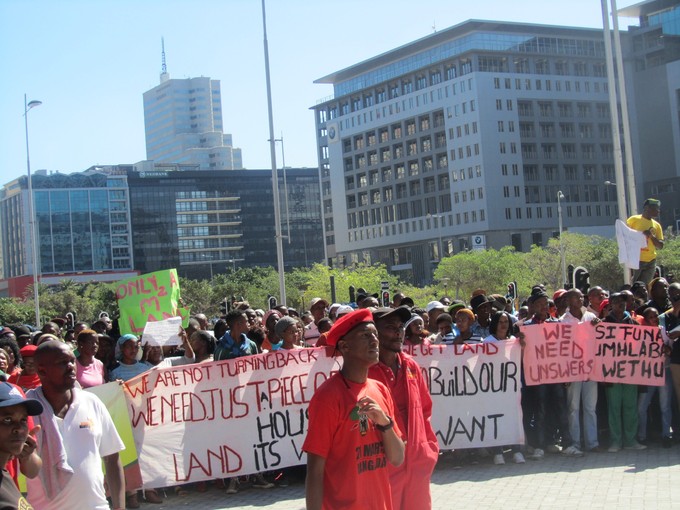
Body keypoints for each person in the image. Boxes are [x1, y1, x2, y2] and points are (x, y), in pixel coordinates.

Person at [303, 309, 405, 510]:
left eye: (375, 334)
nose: (375, 341)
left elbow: (397, 458)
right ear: (344, 346)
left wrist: (384, 422)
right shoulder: (328, 397)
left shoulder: (380, 389)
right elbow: (315, 471)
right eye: (365, 336)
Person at [27, 341, 125, 510]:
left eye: (72, 361)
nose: (71, 366)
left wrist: (119, 507)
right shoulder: (26, 411)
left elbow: (112, 458)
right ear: (42, 371)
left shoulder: (92, 402)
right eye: (62, 362)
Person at [369, 307, 439, 510]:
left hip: (417, 464)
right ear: (375, 333)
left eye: (400, 326)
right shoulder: (365, 372)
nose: (398, 332)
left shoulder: (411, 366)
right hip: (383, 466)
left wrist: (428, 450)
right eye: (390, 327)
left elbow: (425, 410)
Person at [560, 289, 603, 454]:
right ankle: (575, 443)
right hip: (572, 370)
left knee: (590, 407)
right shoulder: (562, 321)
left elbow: (602, 338)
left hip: (590, 368)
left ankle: (592, 442)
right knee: (573, 407)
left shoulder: (591, 318)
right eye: (575, 297)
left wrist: (597, 327)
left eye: (580, 296)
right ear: (568, 300)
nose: (579, 299)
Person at [602, 293, 646, 452]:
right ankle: (615, 441)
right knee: (614, 408)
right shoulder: (604, 324)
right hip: (612, 373)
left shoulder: (634, 324)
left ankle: (630, 440)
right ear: (610, 305)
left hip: (630, 373)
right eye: (616, 302)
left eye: (623, 302)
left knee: (630, 407)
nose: (621, 305)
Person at [483, 311, 526, 464]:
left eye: (506, 322)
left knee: (514, 419)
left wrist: (522, 347)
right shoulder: (487, 342)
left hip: (511, 387)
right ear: (494, 323)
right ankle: (498, 452)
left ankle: (516, 451)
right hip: (493, 388)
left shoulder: (514, 341)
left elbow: (520, 362)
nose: (503, 325)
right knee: (496, 419)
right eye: (500, 322)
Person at [0, 381, 43, 510]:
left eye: (23, 420)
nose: (19, 428)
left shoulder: (4, 476)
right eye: (7, 420)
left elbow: (32, 470)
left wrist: (27, 455)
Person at [637, 306, 673, 447]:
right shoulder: (640, 333)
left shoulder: (664, 331)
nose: (654, 319)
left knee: (665, 406)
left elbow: (670, 349)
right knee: (642, 407)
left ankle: (666, 435)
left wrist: (667, 349)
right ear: (645, 319)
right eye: (651, 317)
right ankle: (642, 435)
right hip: (648, 373)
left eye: (656, 316)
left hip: (664, 371)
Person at [627, 198, 664, 285]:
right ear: (647, 208)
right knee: (634, 285)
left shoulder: (657, 225)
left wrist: (651, 236)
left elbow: (660, 246)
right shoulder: (633, 220)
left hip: (651, 260)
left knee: (645, 286)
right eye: (655, 208)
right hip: (636, 259)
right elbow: (625, 236)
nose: (658, 211)